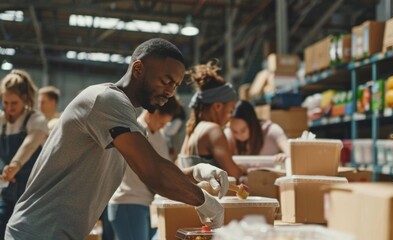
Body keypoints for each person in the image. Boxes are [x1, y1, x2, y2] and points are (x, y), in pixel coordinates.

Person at [5, 38, 228, 240]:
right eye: (166, 81)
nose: (170, 92)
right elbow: (154, 173)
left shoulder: (128, 122)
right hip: (38, 232)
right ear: (139, 69)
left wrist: (196, 173)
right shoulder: (106, 100)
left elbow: (148, 169)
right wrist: (205, 202)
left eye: (175, 86)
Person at [108, 96, 181, 240]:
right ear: (153, 112)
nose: (162, 127)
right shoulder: (134, 131)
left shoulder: (159, 135)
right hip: (128, 202)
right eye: (161, 122)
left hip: (147, 203)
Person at [0, 69, 49, 238]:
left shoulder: (37, 120)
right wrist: (4, 171)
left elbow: (29, 145)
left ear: (25, 98)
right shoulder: (2, 120)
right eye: (5, 103)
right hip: (7, 191)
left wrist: (14, 166)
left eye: (14, 103)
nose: (9, 107)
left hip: (31, 193)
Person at [178, 60, 244, 181]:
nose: (230, 117)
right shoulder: (212, 130)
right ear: (217, 106)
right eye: (230, 111)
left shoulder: (191, 131)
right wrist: (242, 169)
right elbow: (233, 173)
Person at [224, 100, 289, 163]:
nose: (239, 135)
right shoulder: (229, 134)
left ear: (252, 124)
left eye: (243, 130)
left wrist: (283, 156)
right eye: (234, 131)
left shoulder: (272, 130)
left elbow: (290, 152)